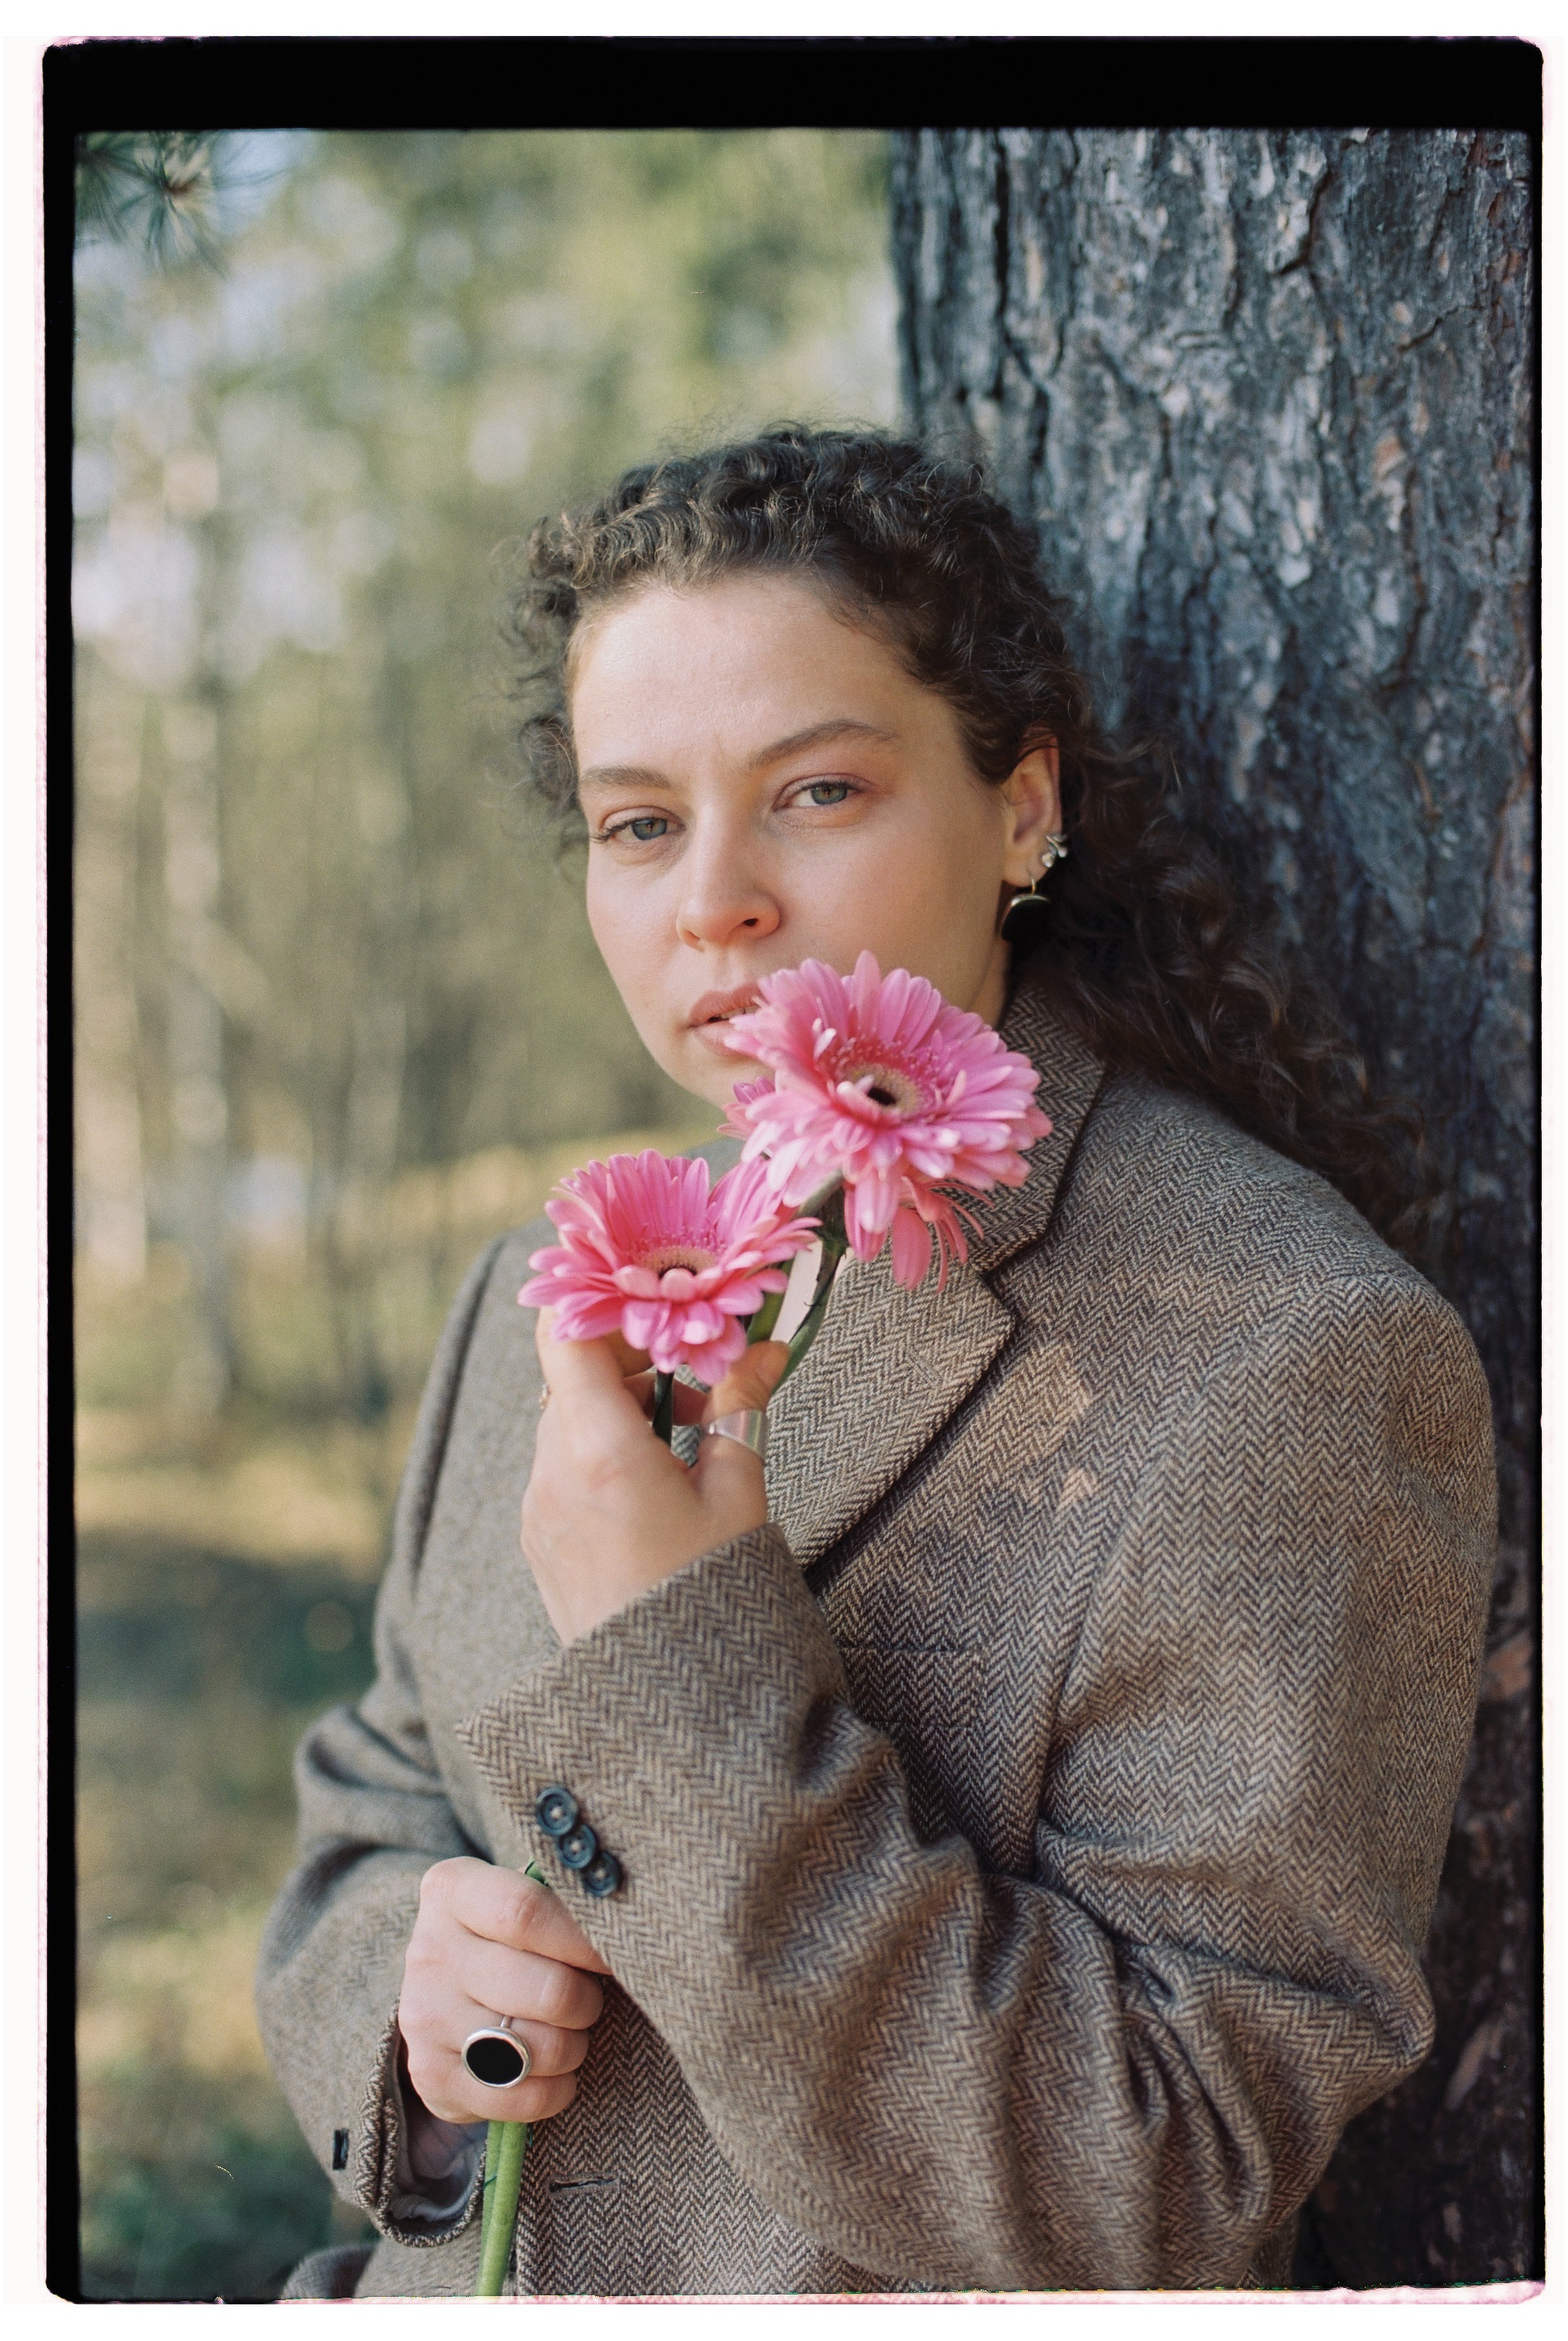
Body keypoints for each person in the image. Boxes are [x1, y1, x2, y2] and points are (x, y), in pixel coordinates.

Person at [258, 427, 1496, 2300]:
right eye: (639, 821)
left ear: (1021, 806)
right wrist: (418, 2026)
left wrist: (681, 1662)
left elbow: (1172, 2172)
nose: (717, 903)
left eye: (816, 790)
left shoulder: (1290, 1351)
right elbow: (371, 1793)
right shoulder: (551, 1279)